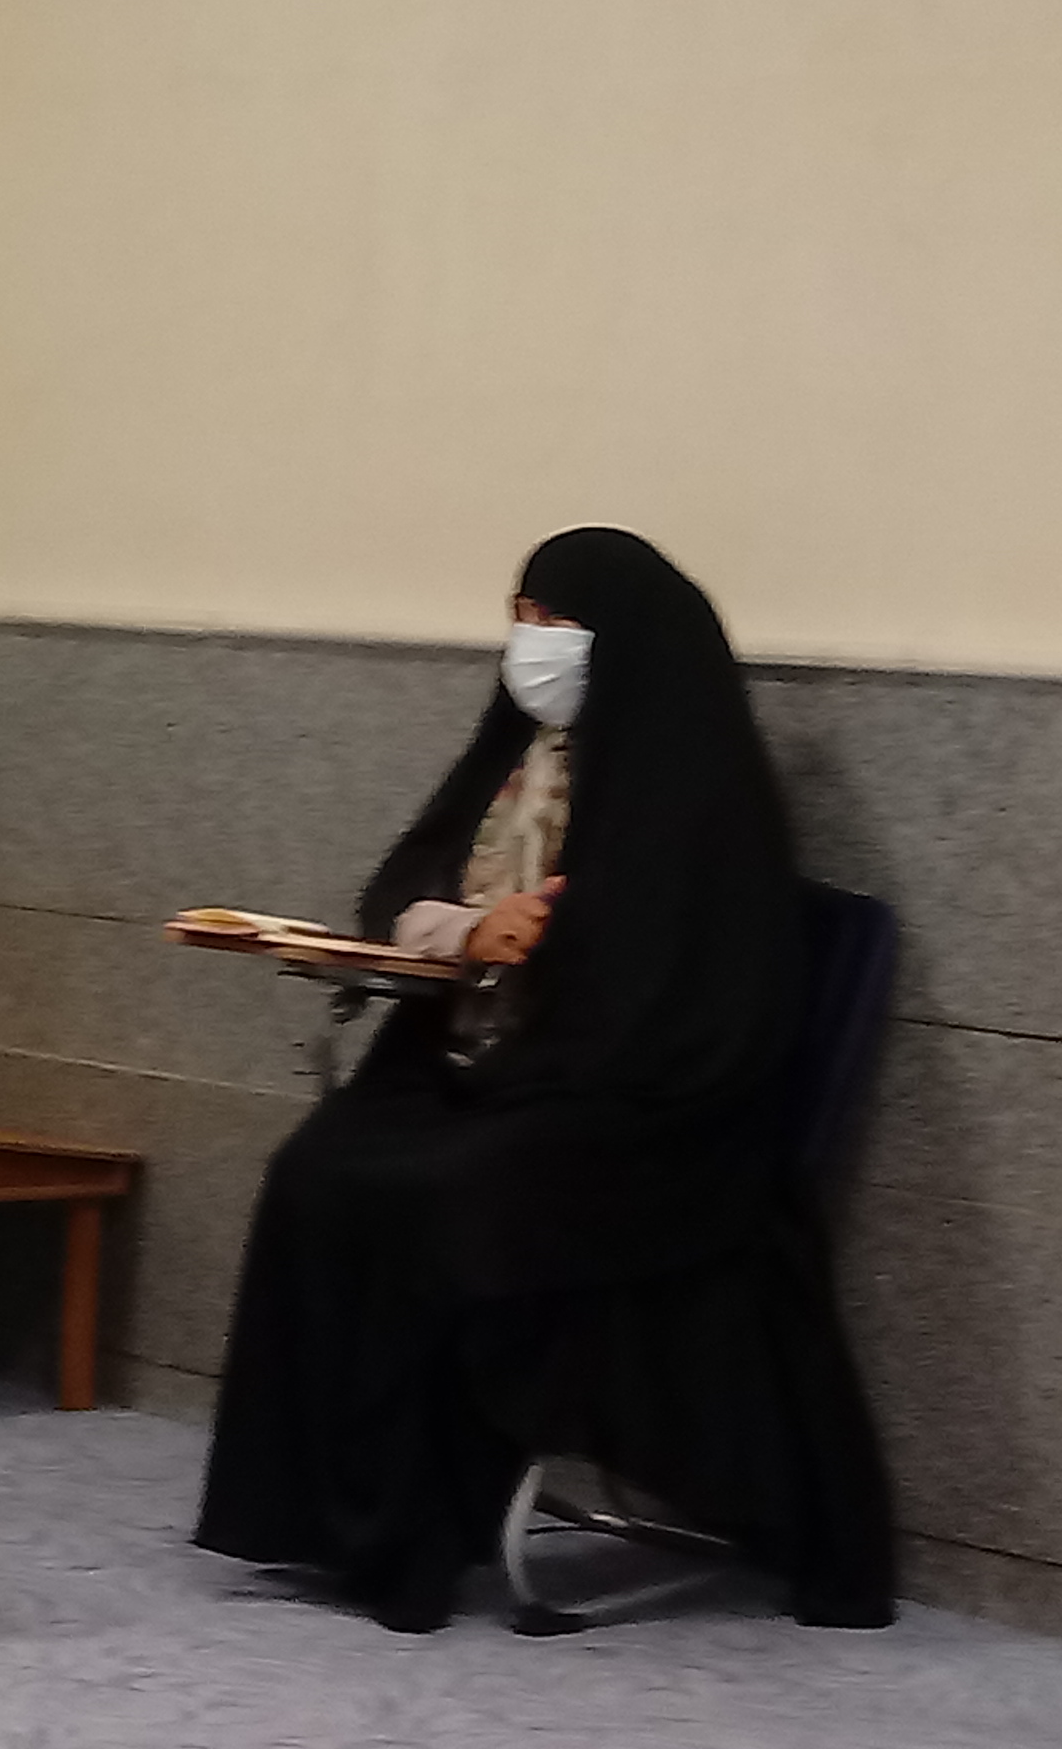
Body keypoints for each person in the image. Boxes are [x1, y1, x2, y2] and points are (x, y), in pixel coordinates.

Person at [192, 526, 894, 1632]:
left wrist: (549, 954)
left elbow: (671, 1001)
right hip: (495, 1072)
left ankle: (416, 1534)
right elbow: (407, 883)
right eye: (520, 617)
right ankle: (322, 1520)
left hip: (647, 1111)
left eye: (557, 621)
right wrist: (466, 930)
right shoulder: (515, 759)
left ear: (626, 641)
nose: (532, 643)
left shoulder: (691, 795)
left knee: (451, 1195)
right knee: (316, 1170)